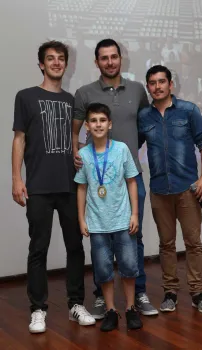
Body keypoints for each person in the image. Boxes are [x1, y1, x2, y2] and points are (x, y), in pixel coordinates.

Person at [12, 40, 96, 334]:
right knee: (39, 248)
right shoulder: (25, 96)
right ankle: (38, 309)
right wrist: (16, 179)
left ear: (66, 64)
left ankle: (76, 304)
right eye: (51, 58)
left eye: (61, 58)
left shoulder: (73, 100)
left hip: (71, 186)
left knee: (75, 247)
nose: (57, 62)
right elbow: (19, 139)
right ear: (41, 64)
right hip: (38, 187)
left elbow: (74, 142)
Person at [73, 38, 158, 319]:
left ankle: (139, 293)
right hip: (98, 184)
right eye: (104, 57)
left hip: (130, 178)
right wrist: (76, 154)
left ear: (120, 58)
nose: (110, 61)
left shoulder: (137, 90)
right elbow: (75, 132)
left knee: (135, 235)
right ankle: (102, 297)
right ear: (96, 62)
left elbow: (144, 128)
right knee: (101, 242)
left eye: (114, 56)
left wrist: (129, 155)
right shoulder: (84, 93)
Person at [138, 65, 202, 314]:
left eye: (162, 81)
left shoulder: (188, 110)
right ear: (148, 87)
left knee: (193, 243)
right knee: (166, 244)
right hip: (159, 190)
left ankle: (198, 292)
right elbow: (130, 147)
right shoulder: (143, 117)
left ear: (171, 84)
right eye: (152, 83)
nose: (157, 86)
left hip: (188, 188)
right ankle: (170, 292)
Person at [74, 102, 143, 332]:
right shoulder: (83, 154)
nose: (98, 124)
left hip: (123, 220)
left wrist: (134, 213)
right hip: (97, 224)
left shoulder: (121, 149)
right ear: (87, 125)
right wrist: (82, 219)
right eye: (93, 121)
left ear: (110, 124)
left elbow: (132, 181)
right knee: (103, 269)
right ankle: (111, 310)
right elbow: (82, 188)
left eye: (102, 120)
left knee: (129, 266)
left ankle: (131, 308)